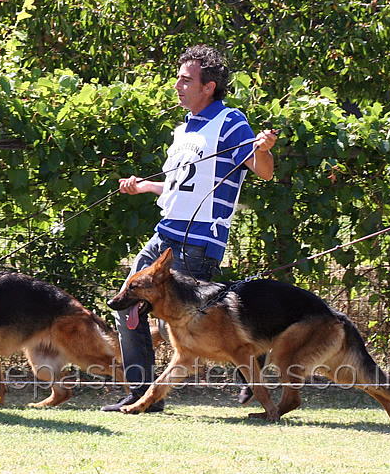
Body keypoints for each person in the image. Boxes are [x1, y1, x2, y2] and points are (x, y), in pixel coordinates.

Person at [101, 44, 276, 412]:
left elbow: (263, 170)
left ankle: (252, 369)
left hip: (199, 242)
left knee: (192, 326)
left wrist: (264, 148)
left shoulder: (229, 122)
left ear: (208, 86)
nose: (177, 85)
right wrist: (145, 186)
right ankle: (140, 393)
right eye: (178, 78)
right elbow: (181, 186)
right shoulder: (184, 129)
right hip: (165, 235)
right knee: (127, 304)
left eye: (185, 80)